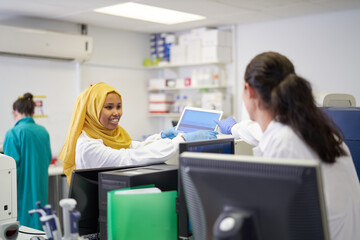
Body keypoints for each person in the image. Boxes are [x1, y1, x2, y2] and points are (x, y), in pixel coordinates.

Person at [215, 52, 360, 240]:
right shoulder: (320, 133)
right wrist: (235, 128)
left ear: (249, 90)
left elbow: (273, 226)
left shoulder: (283, 142)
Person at [59, 82, 218, 185]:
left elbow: (137, 147)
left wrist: (161, 137)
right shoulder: (88, 146)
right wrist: (180, 140)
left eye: (118, 106)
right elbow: (128, 158)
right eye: (108, 107)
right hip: (96, 215)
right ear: (92, 111)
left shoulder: (113, 135)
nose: (116, 113)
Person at [3, 93, 52, 230]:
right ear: (32, 111)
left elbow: (9, 171)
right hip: (40, 188)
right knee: (39, 225)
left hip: (21, 194)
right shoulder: (43, 132)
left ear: (15, 112)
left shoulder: (13, 133)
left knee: (23, 228)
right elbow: (47, 158)